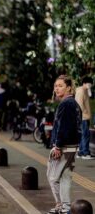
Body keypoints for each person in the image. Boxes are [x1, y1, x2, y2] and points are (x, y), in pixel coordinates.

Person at [47, 75, 82, 214]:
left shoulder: (66, 104)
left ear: (68, 87)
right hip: (72, 146)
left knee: (53, 177)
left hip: (63, 147)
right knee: (65, 177)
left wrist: (57, 146)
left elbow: (63, 127)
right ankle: (66, 208)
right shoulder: (73, 103)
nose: (57, 89)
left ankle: (60, 206)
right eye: (55, 86)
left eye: (60, 86)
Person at [75, 76, 94, 160]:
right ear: (84, 83)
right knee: (85, 135)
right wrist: (84, 114)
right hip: (83, 117)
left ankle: (81, 152)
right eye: (89, 84)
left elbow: (90, 95)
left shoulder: (84, 90)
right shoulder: (81, 91)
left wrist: (89, 89)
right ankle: (85, 153)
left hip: (85, 116)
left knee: (84, 134)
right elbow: (79, 104)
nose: (91, 85)